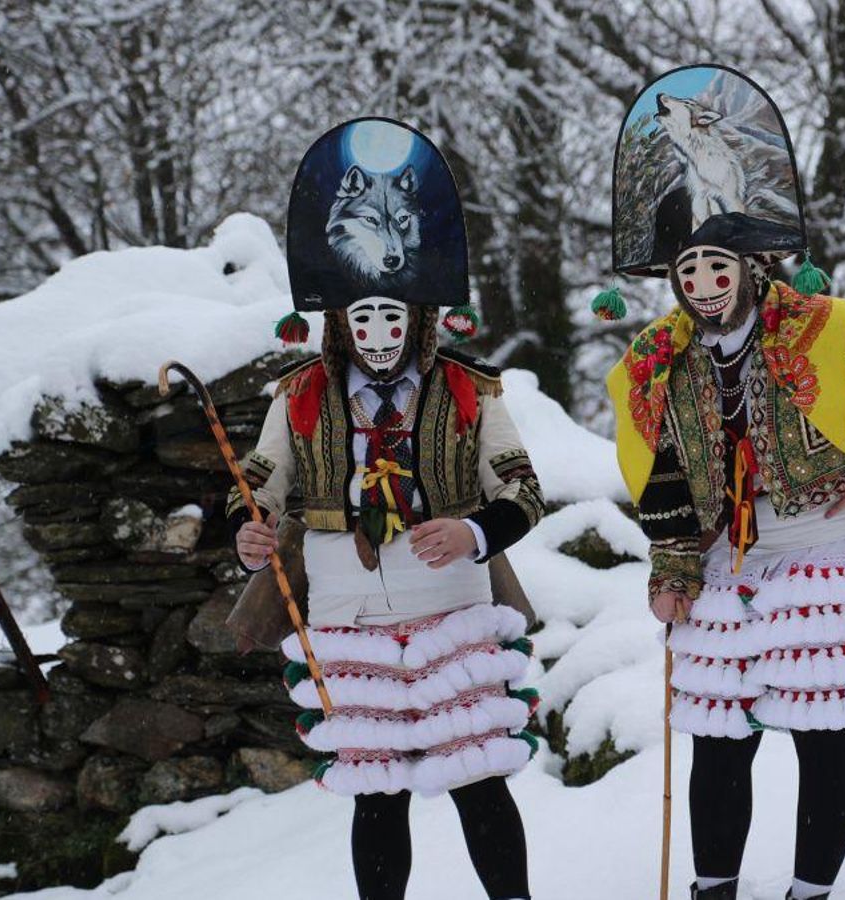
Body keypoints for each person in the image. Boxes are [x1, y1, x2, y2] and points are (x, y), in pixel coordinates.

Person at [600, 65, 845, 900]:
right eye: (690, 273)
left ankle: (810, 892)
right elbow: (662, 479)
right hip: (728, 556)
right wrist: (674, 571)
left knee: (820, 731)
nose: (706, 286)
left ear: (751, 264)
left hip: (827, 547)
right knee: (720, 732)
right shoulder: (656, 361)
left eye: (719, 268)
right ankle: (714, 887)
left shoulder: (824, 326)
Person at [229, 117, 543, 900]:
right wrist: (250, 528)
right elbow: (259, 479)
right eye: (361, 318)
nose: (376, 334)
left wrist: (472, 529)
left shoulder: (471, 391)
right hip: (344, 613)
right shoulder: (299, 395)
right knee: (377, 789)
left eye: (391, 318)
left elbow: (523, 491)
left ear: (419, 320)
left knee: (477, 779)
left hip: (451, 607)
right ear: (339, 322)